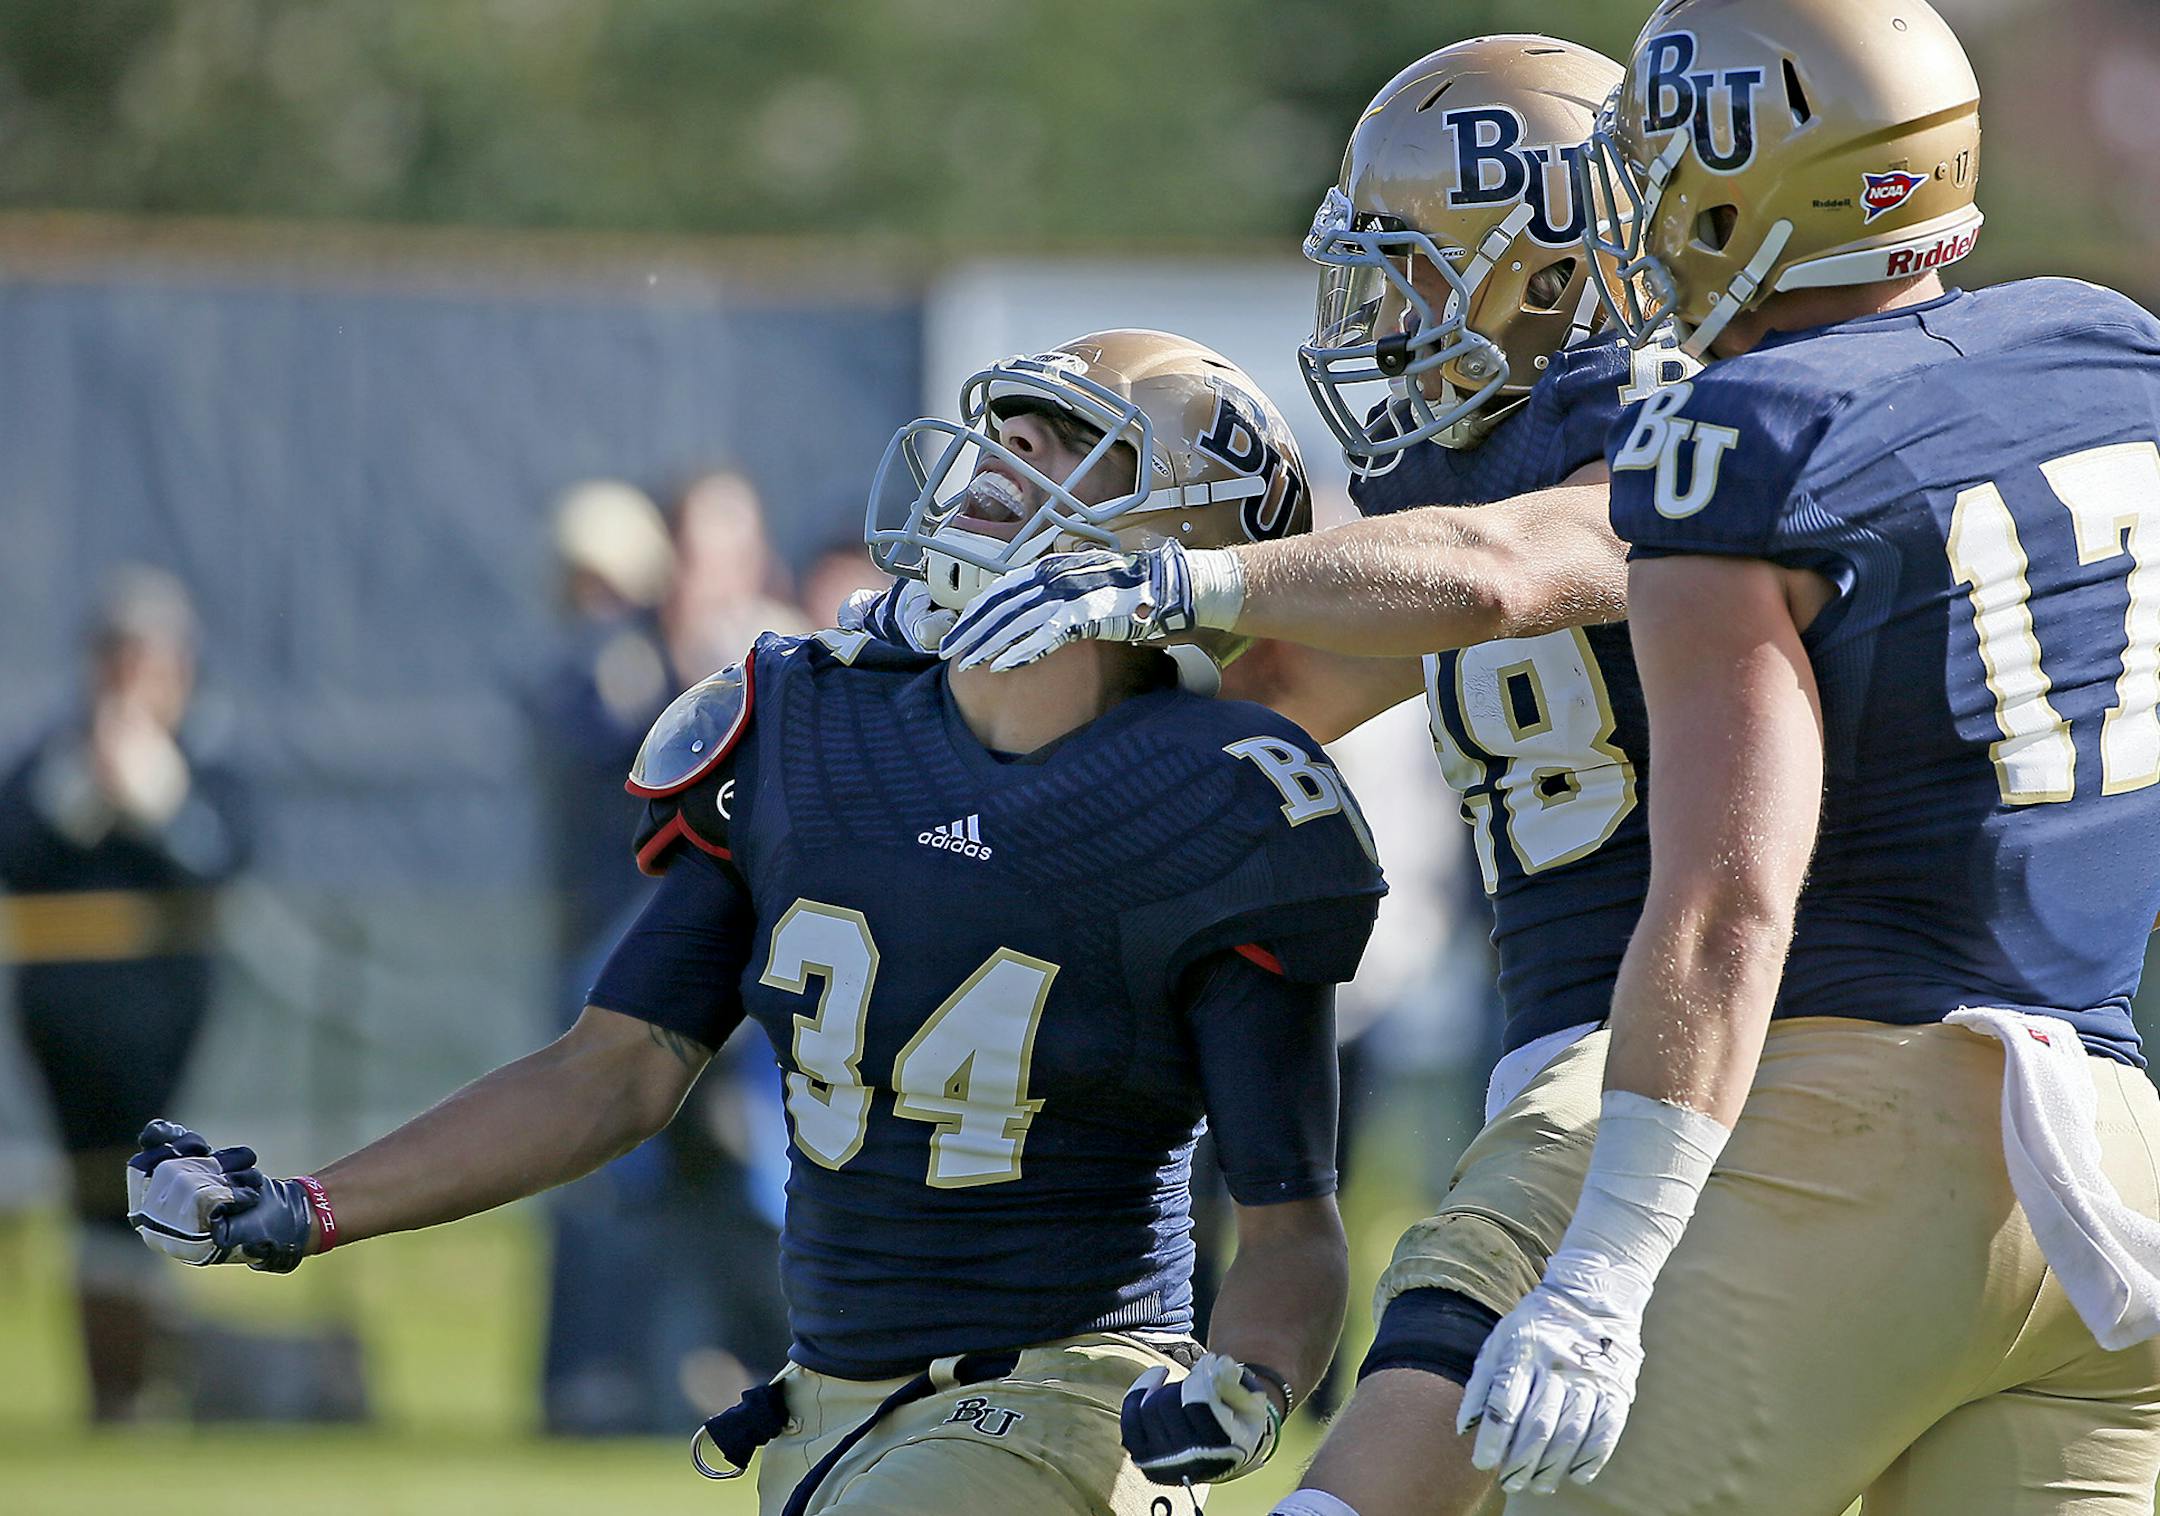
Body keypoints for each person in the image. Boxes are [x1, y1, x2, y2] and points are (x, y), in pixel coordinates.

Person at [129, 330, 1385, 1515]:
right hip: (825, 1402)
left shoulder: (1219, 794)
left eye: (1064, 440)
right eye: (1006, 425)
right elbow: (611, 1069)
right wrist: (312, 1205)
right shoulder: (812, 724)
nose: (1005, 457)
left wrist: (1251, 1383)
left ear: (1176, 526)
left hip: (1071, 1394)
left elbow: (1291, 1225)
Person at [921, 35, 1688, 1515]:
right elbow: (1264, 712)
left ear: (1543, 266)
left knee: (1452, 1329)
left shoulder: (1676, 421)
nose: (1377, 308)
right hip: (1583, 1035)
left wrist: (1166, 586)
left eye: (1411, 264)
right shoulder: (1451, 467)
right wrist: (932, 723)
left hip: (1699, 1022)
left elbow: (1506, 573)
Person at [1443, 2, 2160, 1512]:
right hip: (2112, 1155)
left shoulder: (1748, 430)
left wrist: (1601, 1271)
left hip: (1856, 1142)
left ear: (1752, 169)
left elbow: (1726, 901)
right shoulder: (2106, 347)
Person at [0, 566, 248, 1420]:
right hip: (66, 1022)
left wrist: (153, 794)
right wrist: (87, 787)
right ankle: (113, 1387)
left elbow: (221, 856)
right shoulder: (48, 758)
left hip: (168, 1016)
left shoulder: (208, 758)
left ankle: (156, 1375)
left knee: (162, 1183)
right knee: (95, 1192)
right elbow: (16, 851)